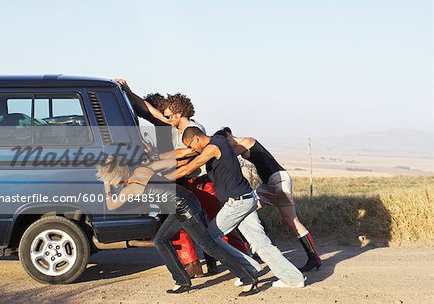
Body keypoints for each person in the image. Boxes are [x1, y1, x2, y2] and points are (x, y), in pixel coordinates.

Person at [165, 127, 306, 289]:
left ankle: (247, 267)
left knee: (210, 238)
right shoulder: (216, 143)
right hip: (245, 199)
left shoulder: (213, 147)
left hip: (238, 202)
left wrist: (157, 180)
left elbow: (189, 168)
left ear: (196, 139)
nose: (191, 149)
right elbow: (183, 155)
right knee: (260, 242)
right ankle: (293, 278)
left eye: (191, 145)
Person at [96, 156, 258, 296]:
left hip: (185, 208)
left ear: (115, 176)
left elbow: (111, 205)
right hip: (184, 203)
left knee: (208, 246)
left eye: (109, 178)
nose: (110, 182)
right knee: (161, 240)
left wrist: (106, 187)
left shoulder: (131, 188)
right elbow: (168, 163)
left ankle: (248, 278)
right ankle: (182, 281)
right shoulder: (141, 170)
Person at [115, 79, 203, 278]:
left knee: (180, 221)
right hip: (182, 177)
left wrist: (128, 91)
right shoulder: (175, 127)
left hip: (186, 178)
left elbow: (148, 111)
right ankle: (204, 262)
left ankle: (193, 263)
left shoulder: (176, 127)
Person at [161, 94, 250, 273]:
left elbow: (191, 160)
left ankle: (242, 257)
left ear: (178, 113)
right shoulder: (178, 131)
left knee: (217, 222)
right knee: (197, 224)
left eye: (169, 116)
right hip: (189, 182)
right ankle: (203, 264)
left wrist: (163, 174)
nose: (166, 119)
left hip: (201, 182)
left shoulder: (194, 130)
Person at [214, 127, 321, 272]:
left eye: (224, 142)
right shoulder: (242, 145)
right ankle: (263, 246)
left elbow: (228, 157)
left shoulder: (247, 141)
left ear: (229, 136)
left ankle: (313, 257)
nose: (224, 146)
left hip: (278, 180)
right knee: (246, 209)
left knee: (291, 220)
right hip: (270, 183)